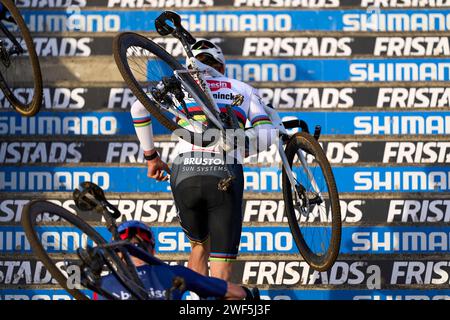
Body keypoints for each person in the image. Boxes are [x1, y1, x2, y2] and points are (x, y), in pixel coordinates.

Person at [130, 39, 276, 281]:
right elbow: (267, 133)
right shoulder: (241, 88)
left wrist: (152, 158)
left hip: (184, 170)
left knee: (198, 247)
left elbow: (138, 109)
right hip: (224, 170)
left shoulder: (179, 85)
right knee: (222, 262)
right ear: (220, 67)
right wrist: (245, 146)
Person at [93, 220, 258, 300]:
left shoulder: (102, 284)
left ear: (117, 253)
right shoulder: (175, 273)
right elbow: (239, 293)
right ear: (153, 250)